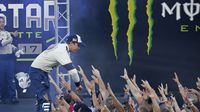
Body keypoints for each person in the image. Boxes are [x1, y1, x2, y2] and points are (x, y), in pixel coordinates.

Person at [29, 34, 85, 112]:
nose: (79, 48)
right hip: (39, 72)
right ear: (71, 43)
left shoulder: (61, 47)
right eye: (78, 45)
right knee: (45, 101)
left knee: (43, 100)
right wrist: (78, 85)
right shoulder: (62, 51)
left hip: (39, 72)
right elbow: (73, 72)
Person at [0, 16, 19, 104]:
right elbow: (1, 44)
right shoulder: (9, 35)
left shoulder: (7, 33)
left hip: (9, 58)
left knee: (11, 78)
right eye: (0, 22)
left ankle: (13, 97)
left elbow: (9, 45)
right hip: (1, 58)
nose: (2, 24)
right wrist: (10, 38)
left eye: (3, 22)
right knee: (1, 79)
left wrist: (16, 50)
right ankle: (1, 97)